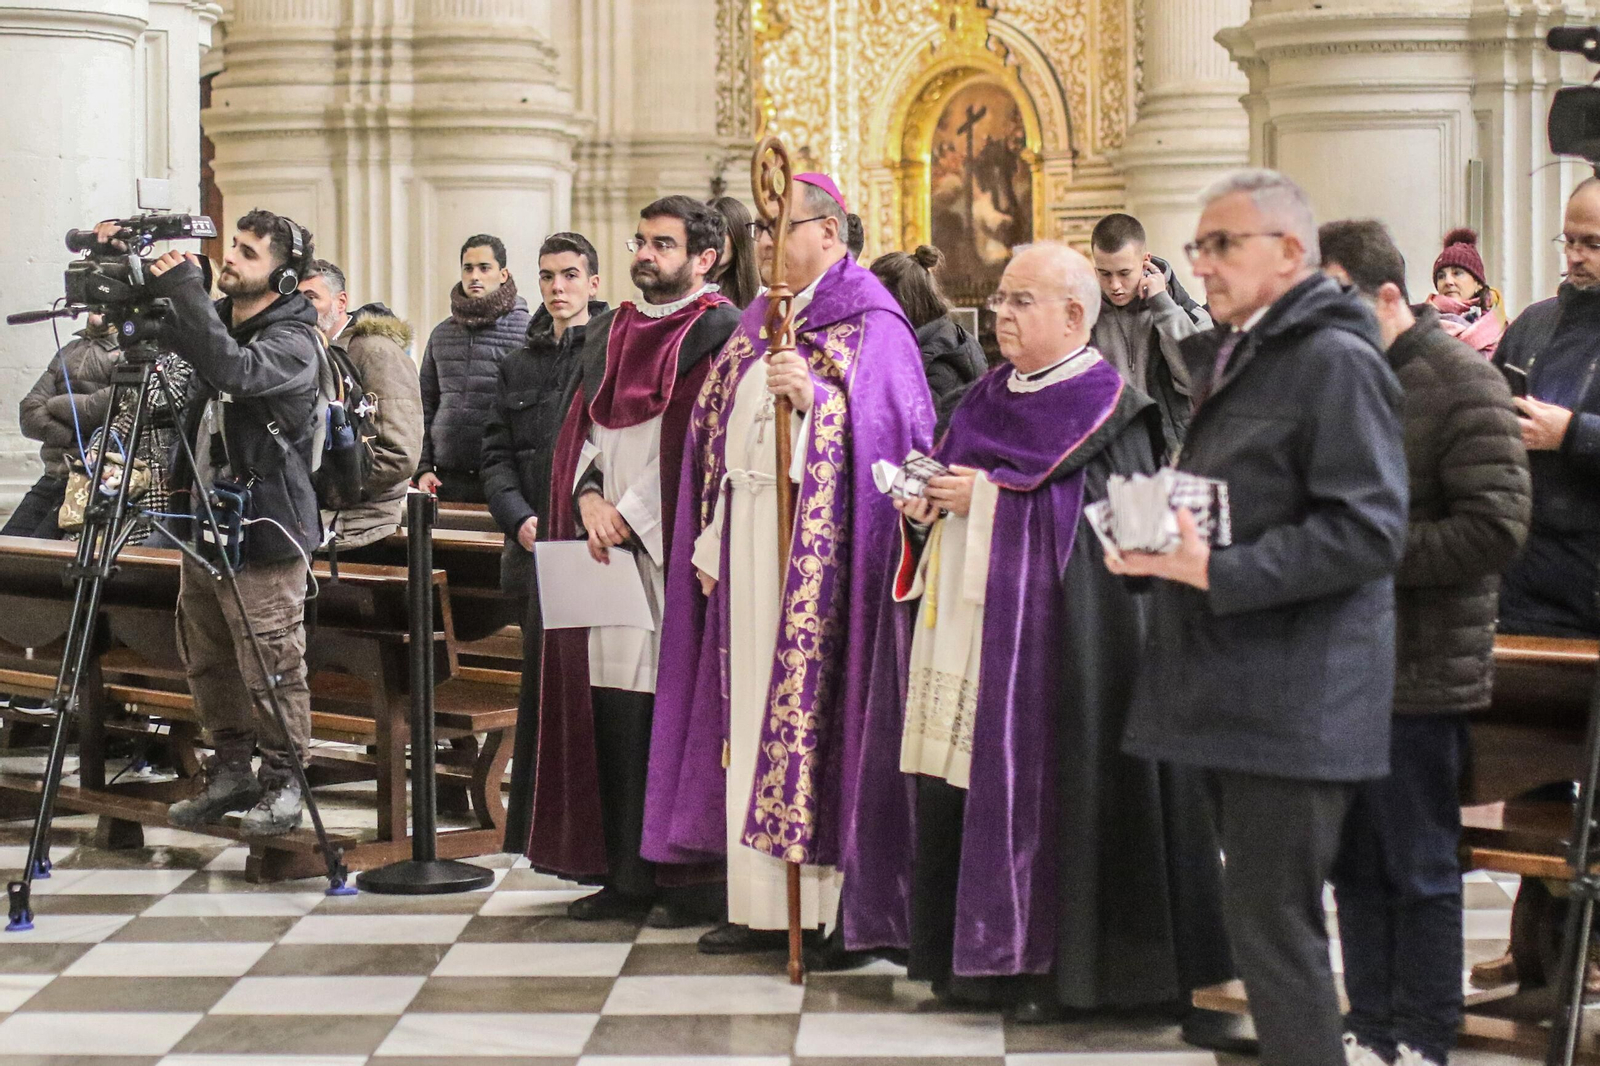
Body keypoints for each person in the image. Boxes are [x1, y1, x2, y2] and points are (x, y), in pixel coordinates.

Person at [885, 242, 1234, 1023]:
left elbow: (1135, 548)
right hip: (973, 634)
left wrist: (993, 505)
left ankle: (1059, 971)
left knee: (1062, 795)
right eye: (1001, 300)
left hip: (1070, 655)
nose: (999, 315)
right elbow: (949, 470)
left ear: (1075, 315)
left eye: (1020, 302)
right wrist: (923, 500)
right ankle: (975, 963)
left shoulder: (1118, 411)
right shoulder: (982, 397)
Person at [1109, 170, 1409, 1066]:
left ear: (1289, 252)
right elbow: (1248, 496)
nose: (1201, 264)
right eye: (1197, 246)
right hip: (1236, 680)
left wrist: (1218, 568)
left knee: (1276, 931)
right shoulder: (1245, 353)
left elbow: (1369, 529)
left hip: (1297, 688)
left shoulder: (1336, 361)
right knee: (1261, 925)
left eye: (1221, 244)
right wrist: (1164, 540)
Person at [641, 172, 934, 957]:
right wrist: (709, 540)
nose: (765, 245)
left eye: (781, 229)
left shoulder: (872, 320)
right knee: (746, 718)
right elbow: (717, 442)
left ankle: (836, 913)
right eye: (760, 233)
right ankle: (763, 905)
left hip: (826, 560)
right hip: (747, 540)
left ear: (829, 235)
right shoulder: (760, 321)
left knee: (816, 718)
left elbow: (899, 439)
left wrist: (818, 405)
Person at [1320, 220, 1530, 1066]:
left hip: (1422, 663)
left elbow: (1496, 527)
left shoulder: (1463, 383)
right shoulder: (1345, 382)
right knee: (1355, 868)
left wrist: (1365, 551)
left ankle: (1422, 1036)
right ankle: (1369, 1028)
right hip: (1342, 668)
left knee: (1418, 865)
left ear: (1386, 297)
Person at [523, 199, 740, 926]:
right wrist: (586, 498)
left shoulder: (720, 332)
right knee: (608, 710)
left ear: (706, 259)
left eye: (663, 245)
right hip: (601, 549)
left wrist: (634, 516)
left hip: (665, 552)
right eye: (641, 242)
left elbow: (697, 447)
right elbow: (583, 427)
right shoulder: (614, 330)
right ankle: (622, 874)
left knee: (665, 713)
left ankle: (682, 879)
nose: (645, 254)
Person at [107, 209, 325, 837]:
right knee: (207, 656)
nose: (231, 258)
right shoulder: (223, 325)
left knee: (271, 658)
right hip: (205, 519)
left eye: (249, 253)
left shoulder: (293, 343)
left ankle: (287, 781)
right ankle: (231, 768)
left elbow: (235, 372)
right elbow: (171, 342)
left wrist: (186, 292)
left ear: (283, 278)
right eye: (234, 245)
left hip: (265, 525)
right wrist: (137, 283)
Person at [481, 231, 608, 853]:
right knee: (539, 691)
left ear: (593, 283)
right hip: (534, 547)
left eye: (569, 276)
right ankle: (537, 831)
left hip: (589, 549)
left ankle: (588, 830)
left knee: (590, 691)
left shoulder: (610, 354)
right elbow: (495, 453)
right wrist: (517, 517)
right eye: (548, 277)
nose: (558, 288)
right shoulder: (518, 363)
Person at [1494, 177, 1600, 637]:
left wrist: (1572, 433)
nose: (1575, 256)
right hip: (1520, 572)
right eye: (1570, 241)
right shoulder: (1534, 323)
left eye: (1593, 244)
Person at [298, 260, 423, 556]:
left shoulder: (376, 352)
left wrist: (334, 487)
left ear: (341, 302)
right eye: (294, 299)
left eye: (311, 298)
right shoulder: (307, 351)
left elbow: (399, 452)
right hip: (314, 525)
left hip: (362, 530)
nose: (300, 309)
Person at [415, 234, 530, 502]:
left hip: (505, 476)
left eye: (484, 268)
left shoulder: (526, 331)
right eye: (468, 268)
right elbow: (424, 404)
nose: (475, 276)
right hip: (446, 476)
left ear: (503, 274)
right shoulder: (442, 334)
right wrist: (421, 468)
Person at [1089, 212, 1212, 458]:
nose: (1115, 285)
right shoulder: (1085, 315)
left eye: (1124, 273)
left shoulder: (1188, 312)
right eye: (1104, 274)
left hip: (1171, 453)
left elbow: (1198, 381)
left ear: (1145, 261)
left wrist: (1163, 307)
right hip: (1106, 452)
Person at [8, 315, 121, 539]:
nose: (94, 311)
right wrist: (69, 434)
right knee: (10, 548)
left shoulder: (129, 353)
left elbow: (95, 411)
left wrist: (55, 404)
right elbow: (29, 412)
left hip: (90, 480)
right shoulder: (69, 350)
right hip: (53, 474)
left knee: (44, 558)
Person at [870, 245, 987, 437]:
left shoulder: (943, 361)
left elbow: (923, 436)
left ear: (901, 304)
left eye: (875, 303)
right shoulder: (929, 340)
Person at [1427, 228, 1505, 359]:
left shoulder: (1505, 328)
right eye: (1441, 276)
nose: (1448, 281)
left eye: (1457, 273)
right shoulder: (1424, 323)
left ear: (1478, 283)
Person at [708, 197, 762, 309]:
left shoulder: (763, 300)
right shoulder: (686, 293)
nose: (713, 239)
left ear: (739, 236)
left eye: (722, 231)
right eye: (708, 231)